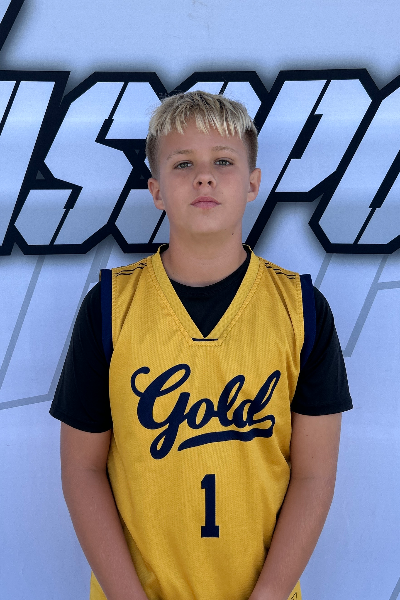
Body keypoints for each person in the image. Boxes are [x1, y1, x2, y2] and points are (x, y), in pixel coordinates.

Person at [50, 91, 352, 600]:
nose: (204, 177)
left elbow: (315, 475)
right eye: (183, 163)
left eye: (224, 162)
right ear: (157, 190)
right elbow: (82, 469)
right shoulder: (109, 307)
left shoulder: (302, 310)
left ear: (253, 183)